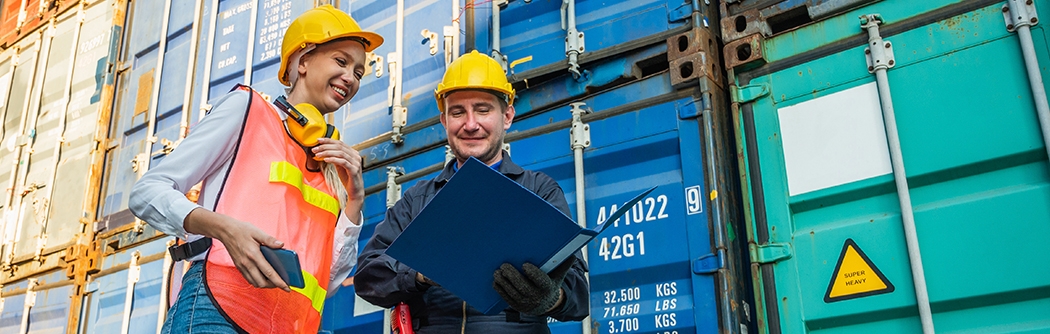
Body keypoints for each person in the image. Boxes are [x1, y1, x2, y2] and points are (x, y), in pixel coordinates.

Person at [129, 5, 382, 333]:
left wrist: (354, 203)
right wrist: (225, 230)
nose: (350, 77)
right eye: (341, 61)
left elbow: (328, 282)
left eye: (359, 72)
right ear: (302, 60)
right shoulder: (247, 111)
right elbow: (147, 192)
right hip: (217, 313)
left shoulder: (333, 168)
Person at [355, 50, 590, 333]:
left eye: (482, 109)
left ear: (507, 116)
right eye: (457, 112)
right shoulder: (418, 200)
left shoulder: (539, 191)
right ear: (444, 121)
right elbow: (368, 278)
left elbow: (579, 297)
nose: (470, 124)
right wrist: (419, 273)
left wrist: (551, 299)